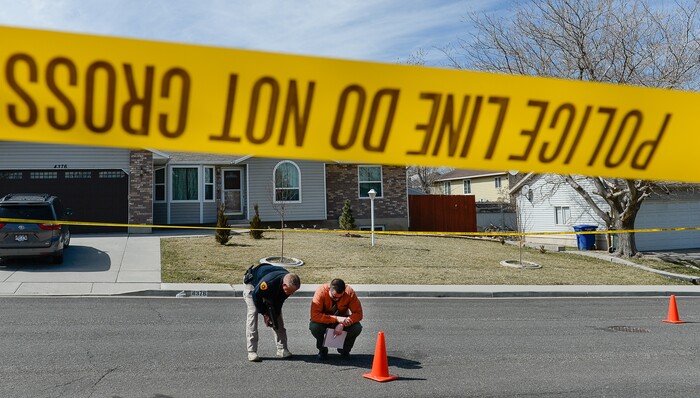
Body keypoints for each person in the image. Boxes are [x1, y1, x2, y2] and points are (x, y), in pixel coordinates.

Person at [243, 263, 301, 362]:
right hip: (253, 284)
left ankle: (282, 349)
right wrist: (265, 314)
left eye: (293, 292)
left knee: (277, 316)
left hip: (271, 287)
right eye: (289, 292)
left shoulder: (289, 284)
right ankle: (251, 351)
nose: (290, 294)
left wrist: (273, 316)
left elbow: (279, 303)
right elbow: (256, 297)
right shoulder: (268, 283)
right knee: (253, 312)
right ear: (284, 285)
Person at [309, 278, 363, 360]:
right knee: (314, 326)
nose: (337, 299)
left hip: (343, 321)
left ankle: (344, 350)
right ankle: (322, 350)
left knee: (357, 327)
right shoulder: (321, 291)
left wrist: (342, 324)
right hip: (325, 320)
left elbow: (358, 314)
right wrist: (337, 319)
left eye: (340, 297)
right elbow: (315, 315)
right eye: (334, 297)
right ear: (329, 289)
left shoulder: (349, 292)